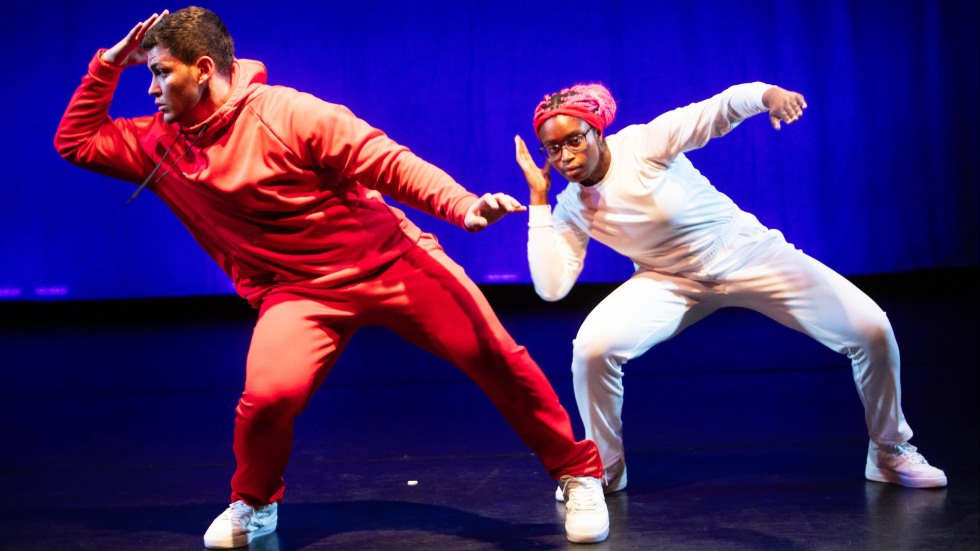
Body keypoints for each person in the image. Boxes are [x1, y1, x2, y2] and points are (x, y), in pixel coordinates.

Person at [54, 7, 610, 548]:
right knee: (267, 398)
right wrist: (109, 62)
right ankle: (254, 502)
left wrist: (461, 205)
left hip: (388, 262)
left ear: (202, 70)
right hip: (297, 293)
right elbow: (74, 142)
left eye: (158, 72)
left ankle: (578, 474)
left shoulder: (288, 113)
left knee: (493, 353)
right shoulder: (156, 142)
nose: (148, 87)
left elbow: (385, 160)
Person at [514, 81, 948, 499]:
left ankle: (889, 450)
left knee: (871, 328)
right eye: (553, 148)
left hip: (742, 252)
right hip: (667, 280)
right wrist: (539, 200)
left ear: (597, 130)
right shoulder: (571, 206)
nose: (566, 155)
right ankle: (605, 469)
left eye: (574, 140)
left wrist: (768, 96)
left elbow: (718, 110)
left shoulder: (644, 144)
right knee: (592, 348)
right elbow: (553, 288)